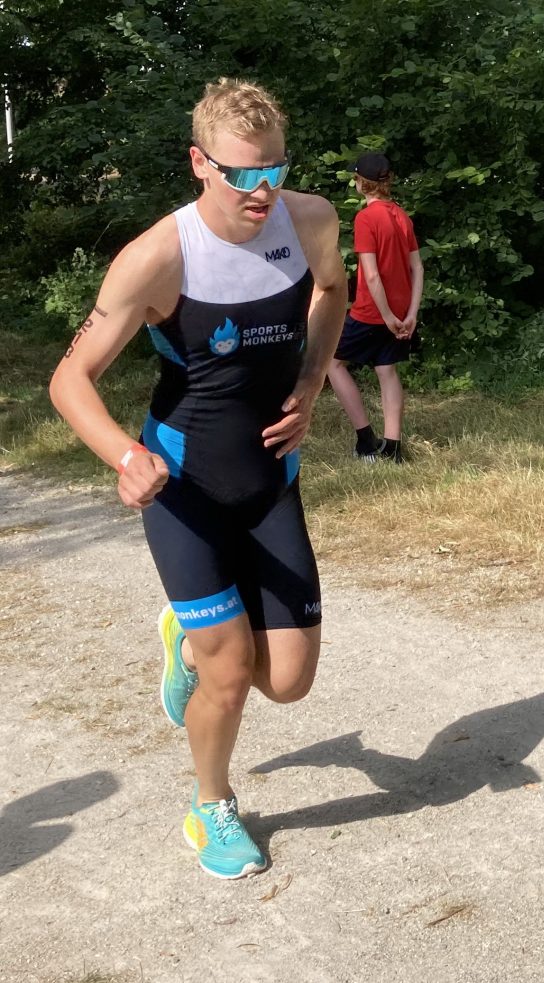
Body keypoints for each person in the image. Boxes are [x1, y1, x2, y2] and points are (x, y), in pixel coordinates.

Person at [49, 78, 348, 880]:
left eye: (274, 170)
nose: (262, 191)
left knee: (289, 679)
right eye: (241, 173)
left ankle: (183, 637)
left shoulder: (311, 220)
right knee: (229, 669)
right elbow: (70, 378)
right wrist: (125, 456)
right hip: (184, 488)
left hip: (271, 478)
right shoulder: (157, 258)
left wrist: (312, 381)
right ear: (199, 163)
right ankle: (210, 802)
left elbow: (332, 290)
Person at [326, 152, 423, 463]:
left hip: (372, 312)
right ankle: (393, 448)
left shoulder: (366, 218)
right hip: (401, 313)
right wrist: (410, 314)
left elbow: (371, 275)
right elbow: (417, 269)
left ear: (360, 182)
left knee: (333, 363)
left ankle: (366, 441)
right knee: (386, 369)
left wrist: (387, 317)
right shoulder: (401, 216)